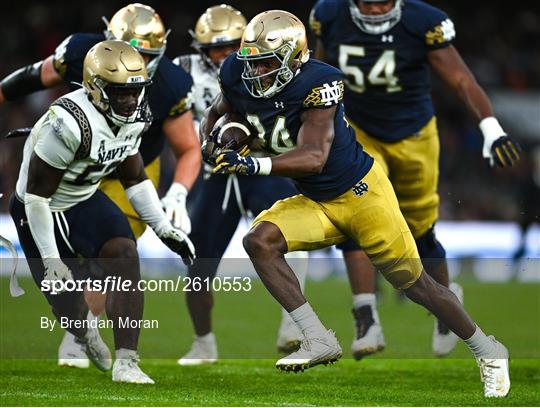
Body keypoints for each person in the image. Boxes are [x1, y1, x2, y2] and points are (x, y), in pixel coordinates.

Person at [202, 10, 511, 398]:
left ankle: (489, 351)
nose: (256, 72)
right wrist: (214, 143)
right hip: (316, 201)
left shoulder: (321, 81)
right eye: (252, 62)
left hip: (361, 195)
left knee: (419, 287)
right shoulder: (235, 72)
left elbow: (313, 155)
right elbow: (218, 114)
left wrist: (251, 163)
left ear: (295, 58)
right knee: (259, 241)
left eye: (267, 62)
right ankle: (317, 337)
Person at [308, 0, 521, 359]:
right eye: (368, 3)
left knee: (420, 229)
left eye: (382, 3)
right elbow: (318, 71)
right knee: (351, 214)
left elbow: (460, 78)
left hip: (413, 135)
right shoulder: (328, 14)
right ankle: (366, 315)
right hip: (357, 130)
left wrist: (490, 127)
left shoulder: (423, 21)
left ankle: (446, 305)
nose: (375, 11)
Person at [0, 3, 201, 367]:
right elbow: (36, 195)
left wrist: (168, 216)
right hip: (55, 186)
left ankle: (126, 360)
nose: (131, 66)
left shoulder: (151, 98)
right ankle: (80, 330)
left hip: (114, 171)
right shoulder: (77, 80)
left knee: (119, 254)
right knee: (63, 288)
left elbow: (152, 166)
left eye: (144, 57)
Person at [172, 4, 306, 365]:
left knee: (290, 238)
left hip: (259, 166)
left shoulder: (266, 65)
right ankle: (203, 342)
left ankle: (295, 323)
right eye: (217, 49)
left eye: (232, 47)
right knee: (198, 263)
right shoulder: (182, 71)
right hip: (214, 173)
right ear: (201, 50)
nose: (225, 56)